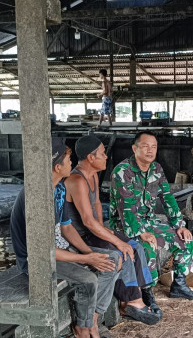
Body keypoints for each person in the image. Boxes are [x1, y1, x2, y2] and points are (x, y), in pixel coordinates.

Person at [10, 138, 124, 338]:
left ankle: (92, 321)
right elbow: (43, 253)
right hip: (36, 261)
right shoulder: (36, 198)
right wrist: (85, 258)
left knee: (112, 259)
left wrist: (90, 254)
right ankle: (82, 329)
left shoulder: (59, 187)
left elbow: (67, 228)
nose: (72, 163)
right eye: (69, 159)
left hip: (59, 249)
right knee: (88, 279)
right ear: (57, 166)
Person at [65, 134, 161, 325]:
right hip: (81, 237)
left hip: (94, 231)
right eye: (102, 153)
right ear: (91, 158)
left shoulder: (92, 175)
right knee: (122, 251)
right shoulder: (77, 180)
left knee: (135, 246)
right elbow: (87, 221)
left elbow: (97, 205)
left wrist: (106, 231)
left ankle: (140, 294)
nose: (106, 156)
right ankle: (131, 302)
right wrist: (115, 241)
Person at [110, 131, 193, 305]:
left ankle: (179, 284)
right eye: (145, 146)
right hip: (125, 226)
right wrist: (141, 232)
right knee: (146, 247)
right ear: (135, 148)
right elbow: (126, 208)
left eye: (153, 147)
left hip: (149, 223)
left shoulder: (156, 169)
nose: (150, 150)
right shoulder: (122, 172)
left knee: (186, 240)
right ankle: (147, 293)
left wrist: (179, 225)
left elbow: (167, 198)